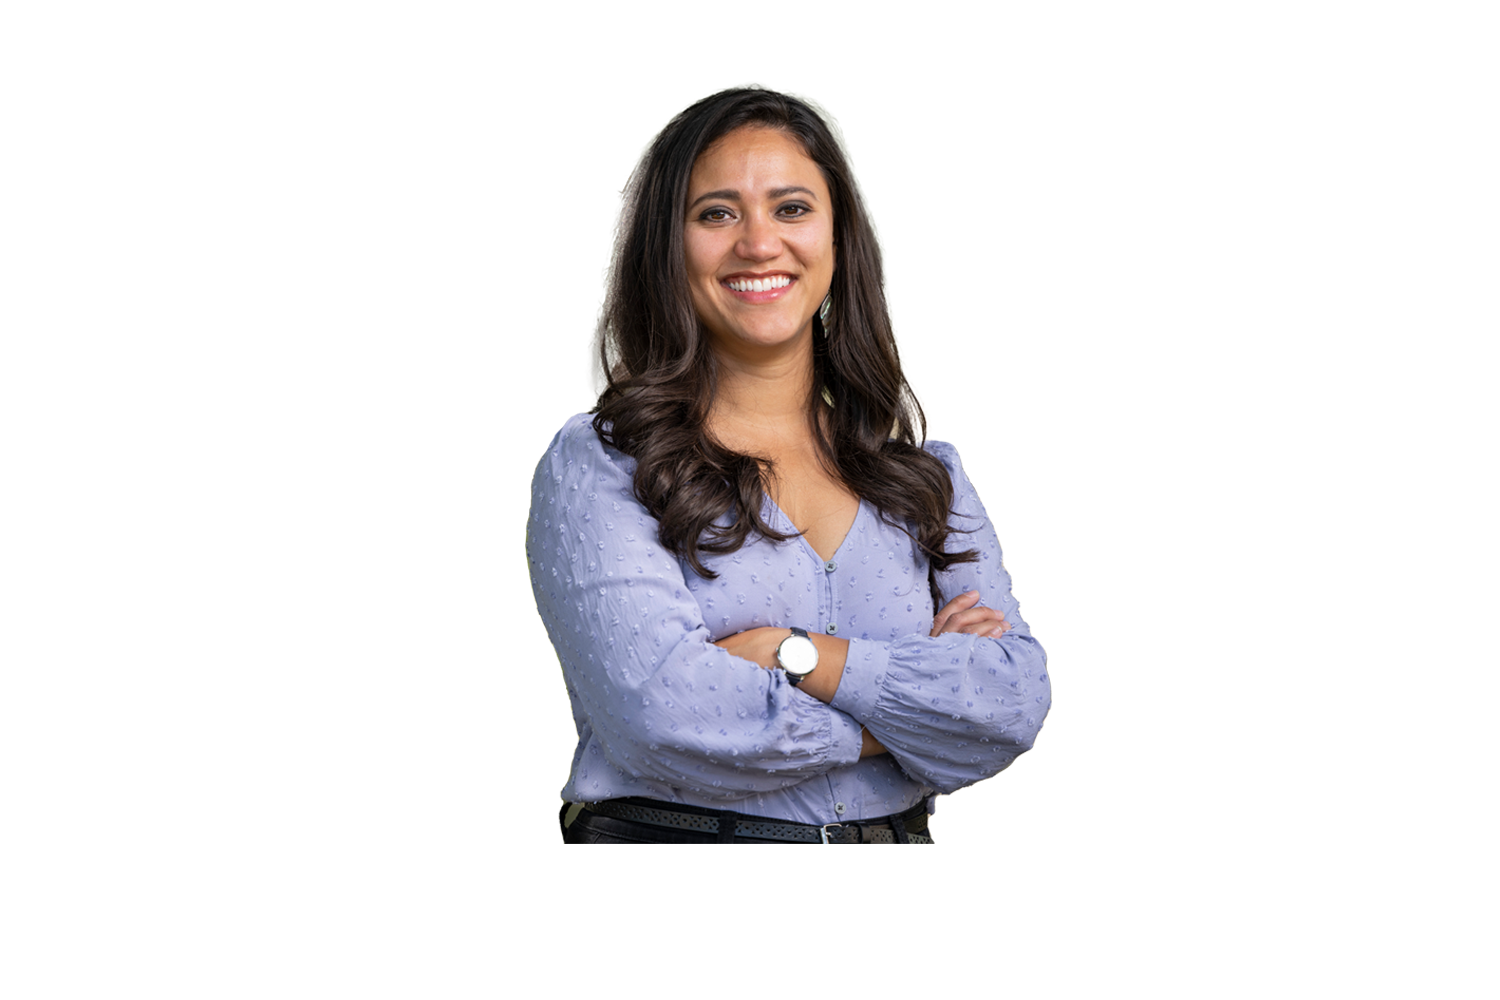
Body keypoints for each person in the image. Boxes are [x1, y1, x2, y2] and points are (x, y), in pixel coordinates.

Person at [527, 86, 1050, 844]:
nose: (758, 243)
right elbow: (660, 718)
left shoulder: (921, 478)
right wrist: (908, 719)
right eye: (716, 213)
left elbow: (1012, 703)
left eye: (792, 208)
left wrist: (792, 656)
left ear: (839, 239)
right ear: (666, 246)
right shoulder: (605, 466)